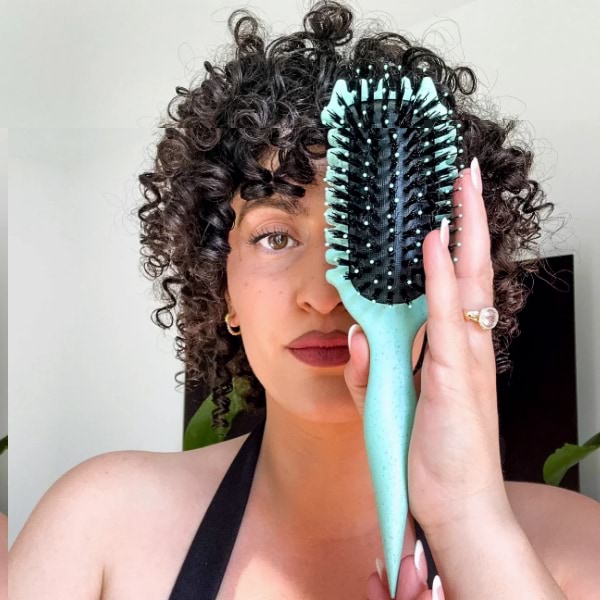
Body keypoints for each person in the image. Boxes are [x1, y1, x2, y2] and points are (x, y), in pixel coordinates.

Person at [9, 2, 600, 599]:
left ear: (451, 271)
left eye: (371, 236)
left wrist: (470, 520)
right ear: (222, 288)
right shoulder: (97, 529)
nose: (324, 295)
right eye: (274, 237)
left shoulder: (573, 550)